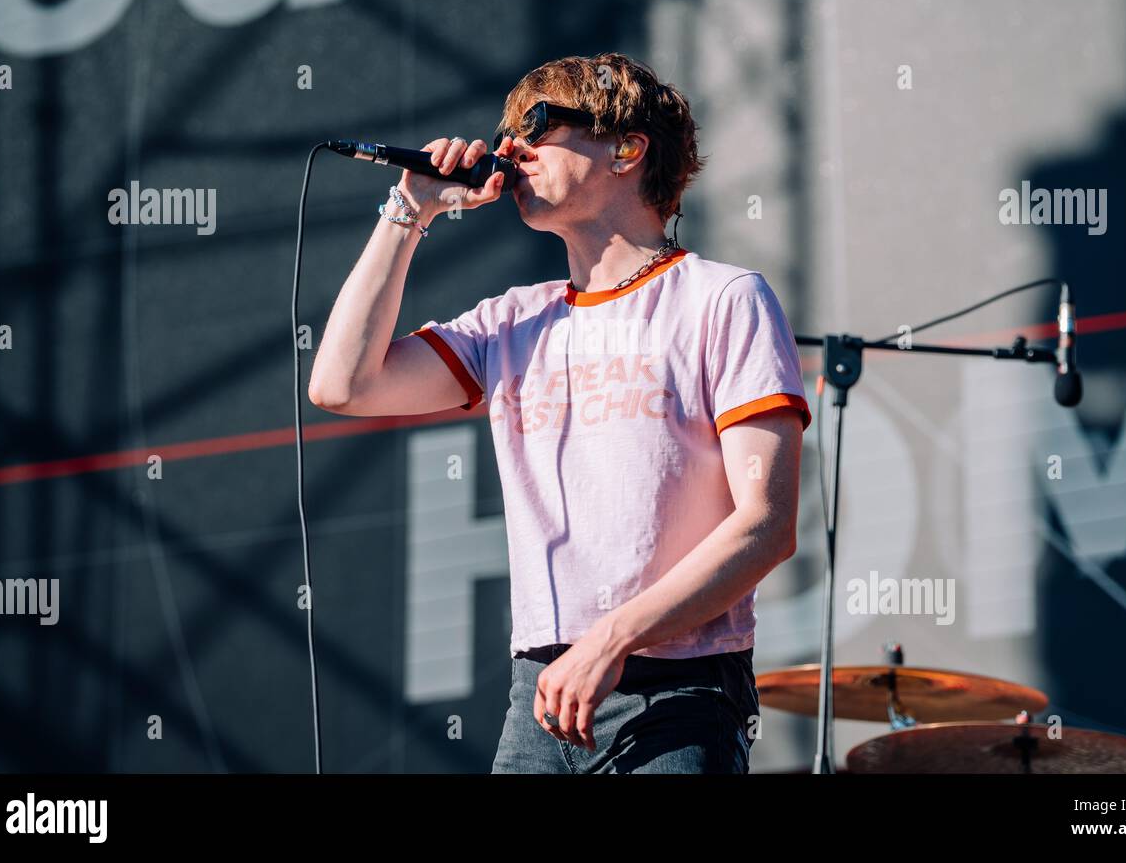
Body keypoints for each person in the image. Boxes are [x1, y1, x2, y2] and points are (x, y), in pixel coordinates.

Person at [308, 52, 812, 773]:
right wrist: (410, 209)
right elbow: (342, 385)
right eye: (507, 130)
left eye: (537, 125)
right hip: (541, 694)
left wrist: (612, 641)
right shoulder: (513, 320)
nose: (510, 147)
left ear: (626, 149)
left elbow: (766, 525)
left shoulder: (722, 299)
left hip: (678, 687)